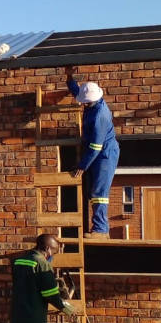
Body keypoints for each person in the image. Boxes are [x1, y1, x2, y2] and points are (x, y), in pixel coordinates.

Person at [65, 67, 119, 238]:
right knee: (93, 190)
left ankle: (101, 230)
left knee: (99, 192)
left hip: (104, 154)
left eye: (85, 103)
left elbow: (96, 147)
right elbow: (77, 92)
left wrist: (82, 166)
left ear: (91, 101)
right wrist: (69, 77)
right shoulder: (92, 100)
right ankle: (100, 229)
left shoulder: (99, 117)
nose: (83, 104)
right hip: (95, 151)